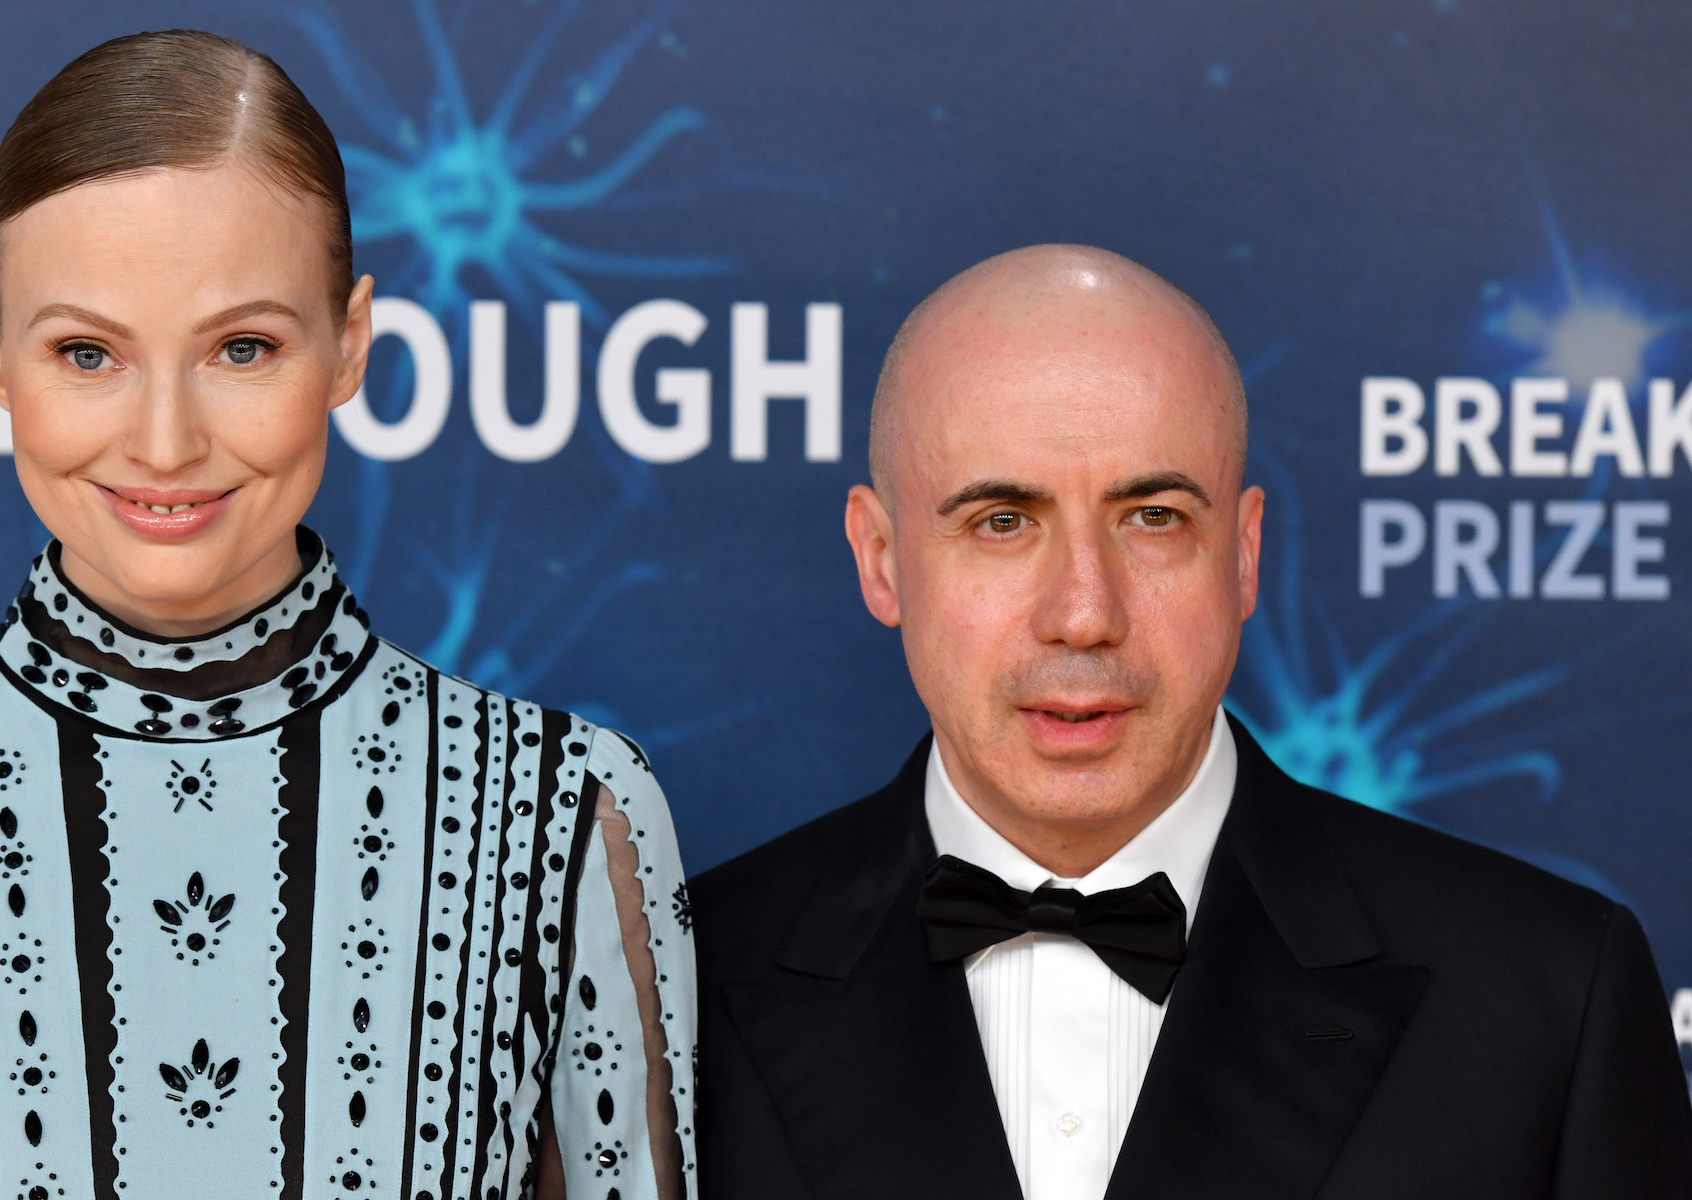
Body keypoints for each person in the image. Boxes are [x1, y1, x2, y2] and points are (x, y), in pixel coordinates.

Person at [0, 31, 694, 1200]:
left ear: (349, 343)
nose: (165, 442)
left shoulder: (566, 814)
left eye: (242, 347)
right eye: (87, 352)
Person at [690, 245, 1691, 1199]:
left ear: (1245, 555)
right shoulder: (671, 997)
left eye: (1154, 518)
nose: (1084, 611)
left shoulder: (1548, 1001)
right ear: (882, 558)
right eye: (1002, 522)